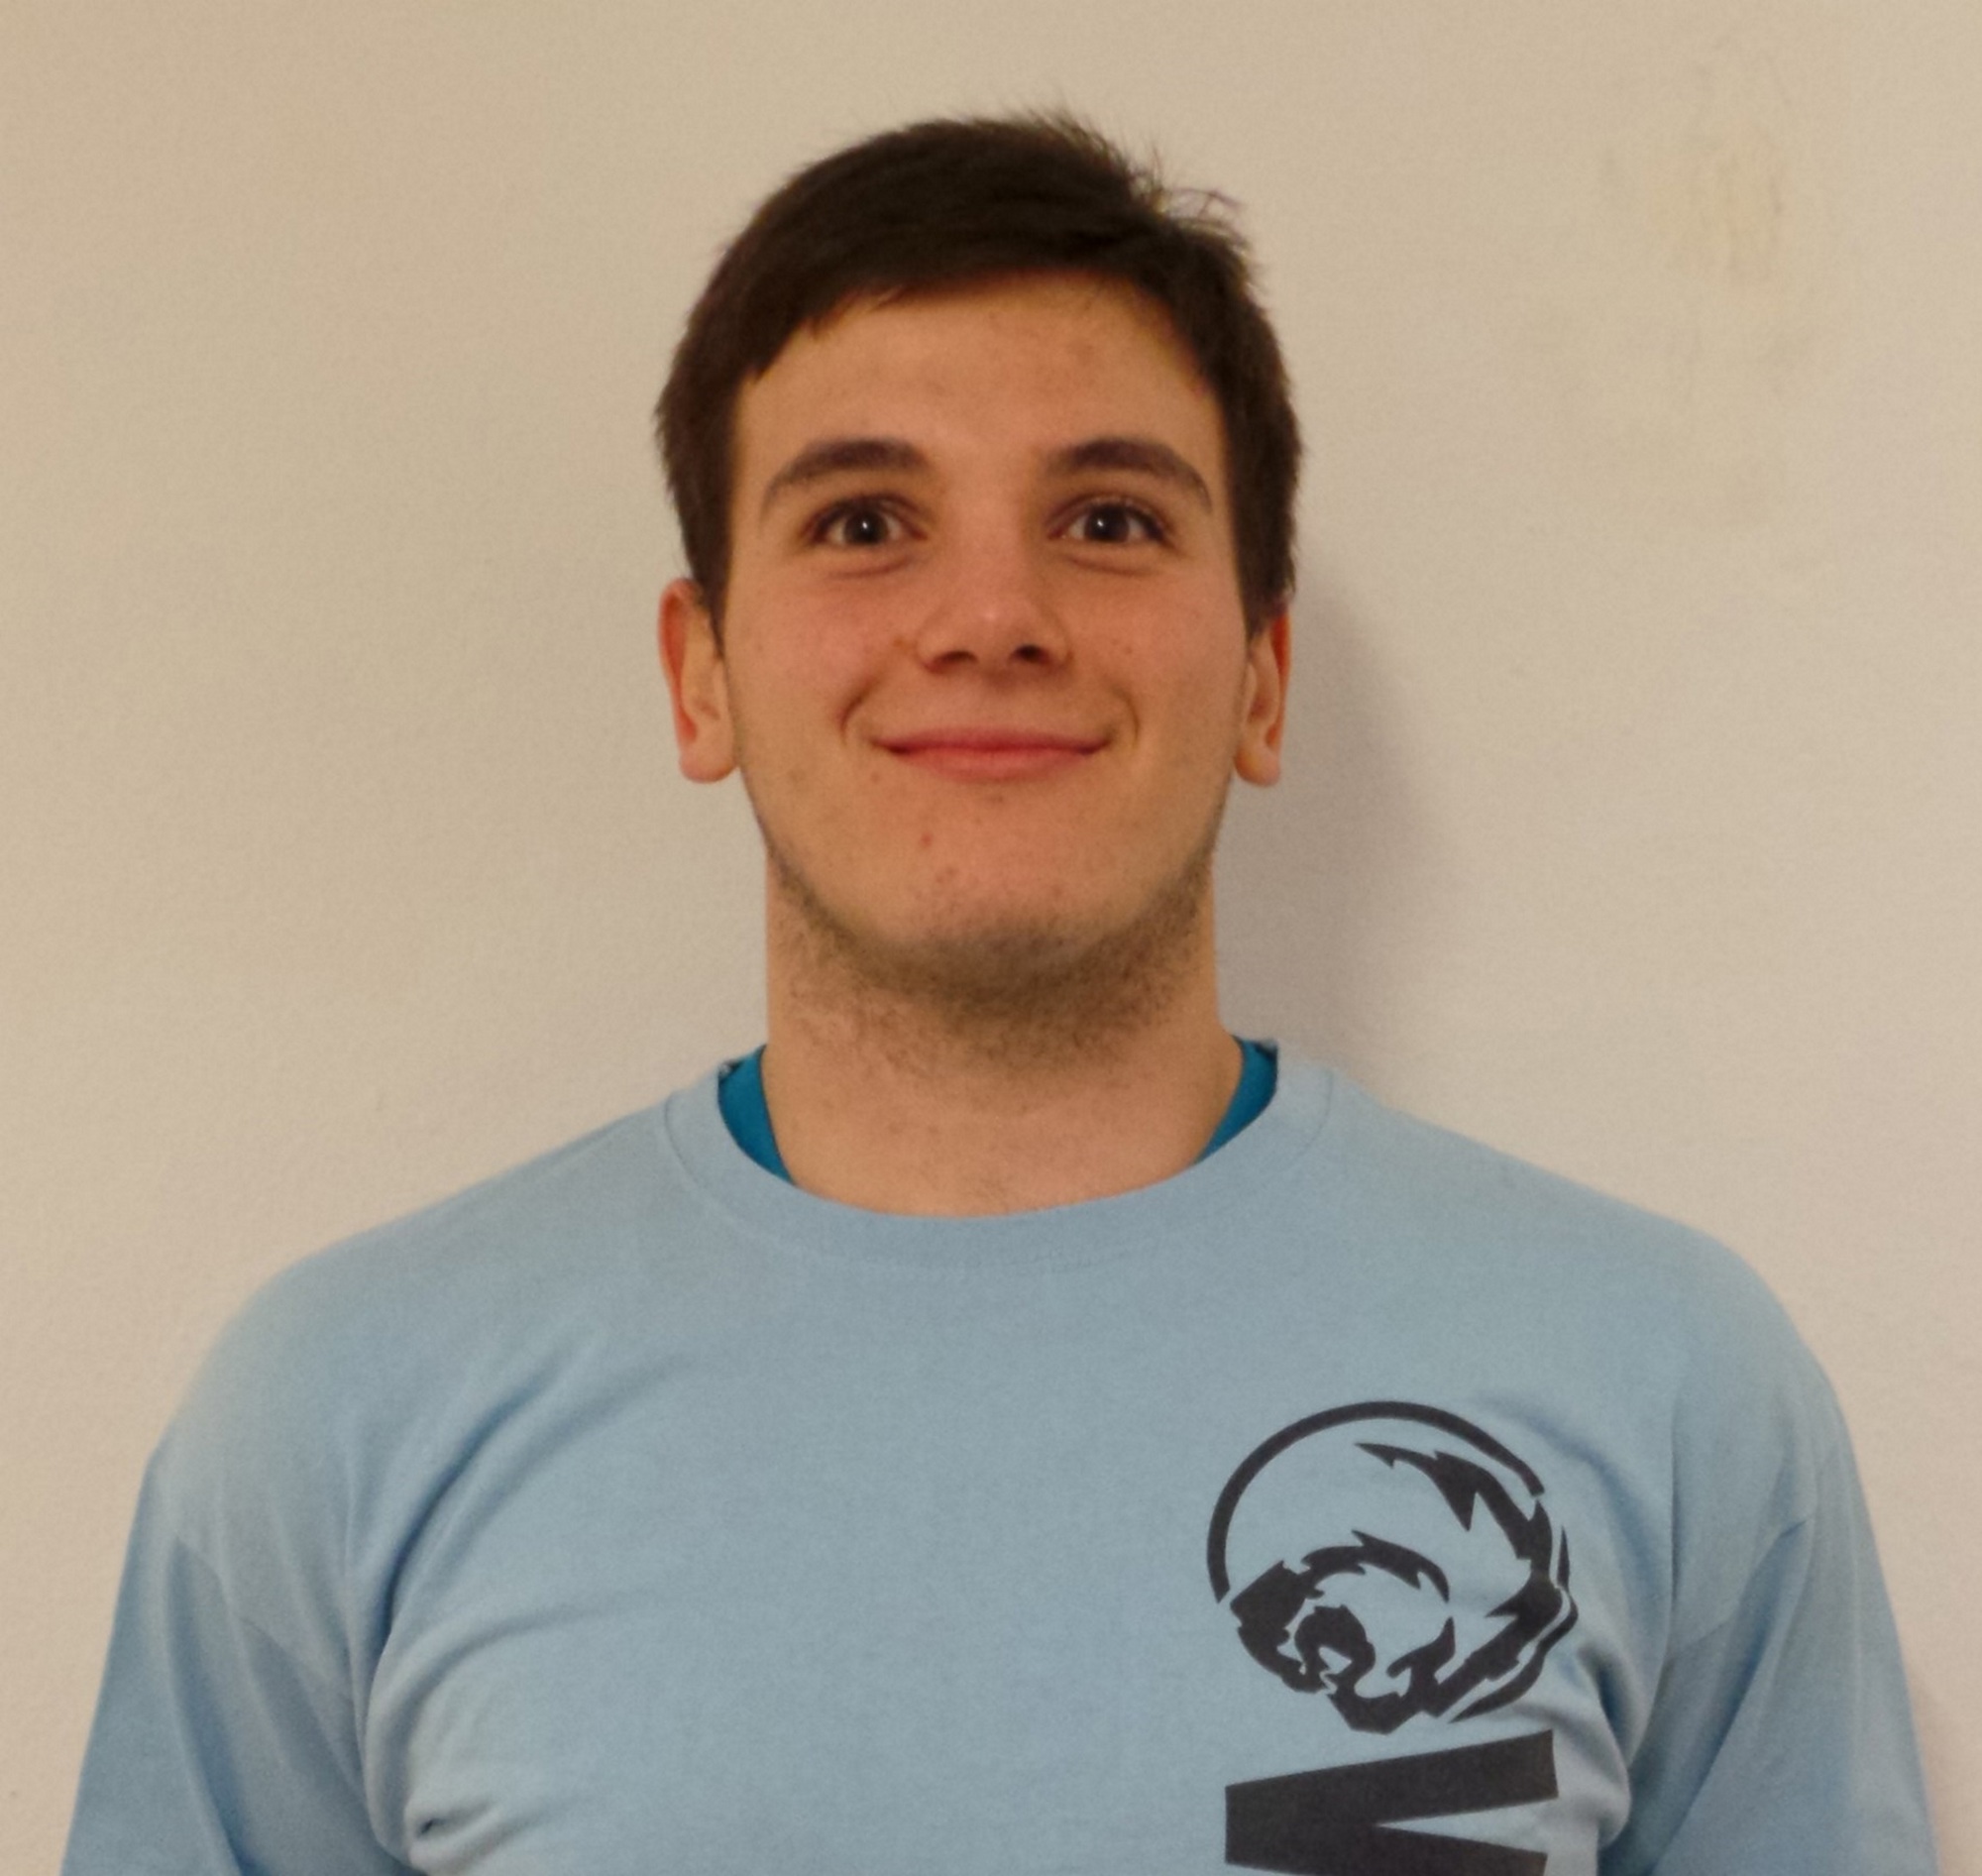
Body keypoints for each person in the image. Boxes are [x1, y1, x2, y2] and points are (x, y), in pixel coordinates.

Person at [64, 114, 1935, 1876]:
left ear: (1263, 675)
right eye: (863, 522)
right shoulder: (339, 1423)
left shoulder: (1664, 1382)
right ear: (700, 674)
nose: (991, 617)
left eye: (1108, 520)